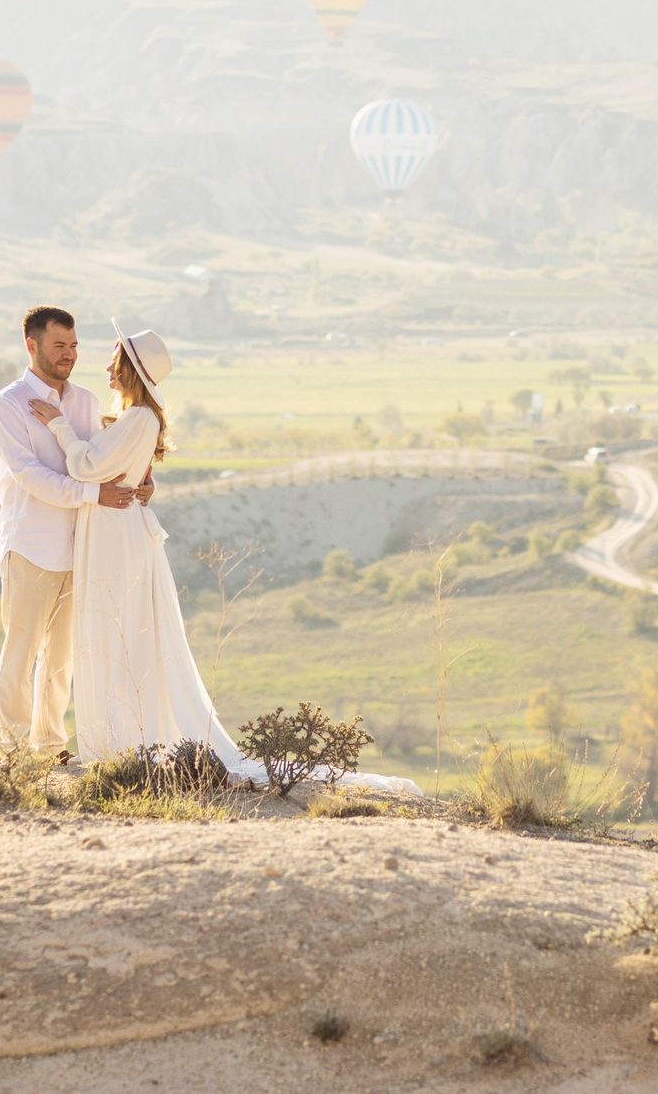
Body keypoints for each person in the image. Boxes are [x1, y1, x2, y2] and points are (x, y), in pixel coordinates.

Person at [29, 323, 417, 793]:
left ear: (132, 368)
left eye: (115, 360)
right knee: (114, 628)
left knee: (118, 626)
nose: (108, 367)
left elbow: (86, 466)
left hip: (116, 535)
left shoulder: (138, 420)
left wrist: (58, 425)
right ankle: (116, 736)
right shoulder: (134, 419)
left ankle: (120, 740)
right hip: (112, 528)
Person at [0, 305, 149, 755]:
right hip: (31, 544)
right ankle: (15, 750)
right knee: (21, 649)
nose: (69, 355)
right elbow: (30, 476)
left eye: (74, 345)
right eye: (59, 346)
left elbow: (100, 460)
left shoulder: (86, 402)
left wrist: (140, 477)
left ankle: (50, 745)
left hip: (81, 544)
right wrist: (93, 496)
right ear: (31, 345)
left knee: (61, 656)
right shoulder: (9, 404)